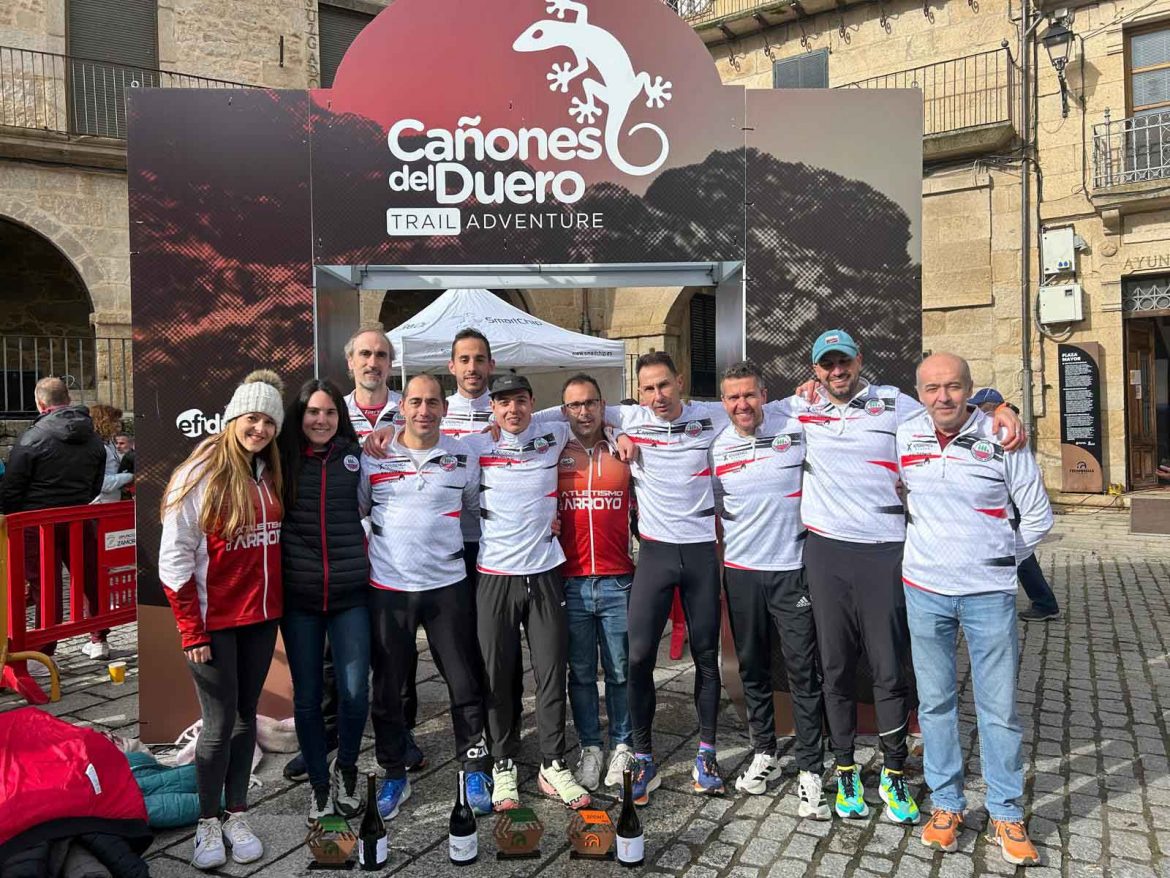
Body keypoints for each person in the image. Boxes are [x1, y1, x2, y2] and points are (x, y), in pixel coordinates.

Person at [793, 330, 1024, 825]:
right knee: (834, 666)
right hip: (826, 550)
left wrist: (1001, 406)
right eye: (827, 364)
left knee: (888, 668)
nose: (837, 371)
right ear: (815, 371)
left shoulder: (894, 403)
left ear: (859, 361)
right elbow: (735, 411)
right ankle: (846, 768)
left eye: (844, 361)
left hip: (884, 551)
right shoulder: (799, 407)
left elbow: (952, 410)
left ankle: (894, 771)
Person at [899, 353, 1051, 866]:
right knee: (936, 704)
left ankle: (1006, 811)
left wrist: (1001, 560)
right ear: (919, 393)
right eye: (932, 388)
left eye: (953, 386)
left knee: (998, 708)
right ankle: (947, 804)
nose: (943, 397)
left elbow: (1037, 515)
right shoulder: (904, 434)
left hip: (988, 594)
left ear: (970, 389)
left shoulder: (1001, 436)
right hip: (924, 589)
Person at [158, 370, 285, 871]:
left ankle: (238, 814)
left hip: (260, 619)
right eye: (252, 418)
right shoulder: (199, 473)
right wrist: (191, 629)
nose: (260, 429)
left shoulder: (267, 470)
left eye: (269, 422)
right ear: (232, 419)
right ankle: (207, 822)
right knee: (217, 724)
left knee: (246, 717)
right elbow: (174, 559)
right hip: (213, 623)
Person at [359, 373, 494, 820]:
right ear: (402, 407)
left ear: (444, 408)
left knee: (464, 680)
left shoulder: (462, 456)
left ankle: (474, 765)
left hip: (447, 586)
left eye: (432, 402)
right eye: (415, 401)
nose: (423, 410)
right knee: (388, 689)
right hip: (389, 589)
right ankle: (393, 771)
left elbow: (477, 507)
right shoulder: (375, 454)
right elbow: (361, 508)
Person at [464, 373, 590, 812]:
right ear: (492, 408)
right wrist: (384, 433)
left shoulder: (552, 432)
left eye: (520, 401)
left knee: (552, 670)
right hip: (495, 575)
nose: (512, 409)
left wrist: (621, 434)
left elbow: (592, 414)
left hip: (545, 571)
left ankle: (552, 762)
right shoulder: (475, 445)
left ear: (533, 403)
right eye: (503, 402)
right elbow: (433, 451)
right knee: (497, 674)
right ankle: (503, 761)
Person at [710, 362, 829, 819]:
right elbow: (719, 507)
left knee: (802, 671)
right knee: (753, 667)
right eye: (733, 397)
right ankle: (764, 751)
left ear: (764, 395)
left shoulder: (795, 426)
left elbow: (836, 406)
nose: (742, 404)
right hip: (741, 573)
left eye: (749, 395)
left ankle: (811, 768)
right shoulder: (718, 448)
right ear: (724, 402)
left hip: (791, 571)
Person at [276, 380, 370, 826]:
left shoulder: (356, 456)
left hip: (351, 594)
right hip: (301, 599)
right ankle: (318, 783)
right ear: (300, 416)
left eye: (330, 412)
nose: (321, 420)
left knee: (355, 691)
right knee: (308, 697)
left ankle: (346, 769)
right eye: (313, 412)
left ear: (340, 416)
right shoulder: (282, 459)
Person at [557, 373, 636, 792]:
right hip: (570, 581)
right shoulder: (554, 450)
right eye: (574, 405)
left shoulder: (623, 450)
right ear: (564, 411)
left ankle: (622, 743)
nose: (583, 411)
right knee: (582, 672)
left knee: (621, 669)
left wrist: (618, 431)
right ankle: (591, 746)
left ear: (603, 406)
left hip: (617, 580)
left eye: (590, 403)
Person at [0, 377, 105, 668]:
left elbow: (12, 486)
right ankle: (99, 639)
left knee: (45, 584)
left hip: (37, 521)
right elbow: (96, 483)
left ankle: (45, 652)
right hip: (78, 515)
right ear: (68, 399)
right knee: (89, 576)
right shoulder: (93, 437)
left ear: (39, 402)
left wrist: (13, 516)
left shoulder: (33, 437)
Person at [971, 387, 1061, 622]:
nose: (977, 412)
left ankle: (1044, 603)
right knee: (1022, 554)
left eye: (981, 408)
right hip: (1008, 501)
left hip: (1011, 501)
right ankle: (1044, 602)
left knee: (1019, 554)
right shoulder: (1004, 424)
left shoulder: (1005, 429)